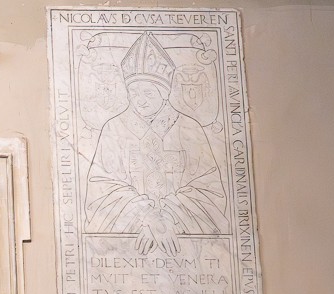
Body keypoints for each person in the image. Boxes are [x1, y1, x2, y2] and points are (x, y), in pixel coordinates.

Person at [84, 31, 228, 255]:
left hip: (185, 244)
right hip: (129, 241)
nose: (140, 100)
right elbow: (102, 189)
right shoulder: (114, 128)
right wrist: (145, 215)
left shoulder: (189, 128)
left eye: (148, 92)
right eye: (134, 92)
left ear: (164, 93)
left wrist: (170, 217)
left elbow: (208, 189)